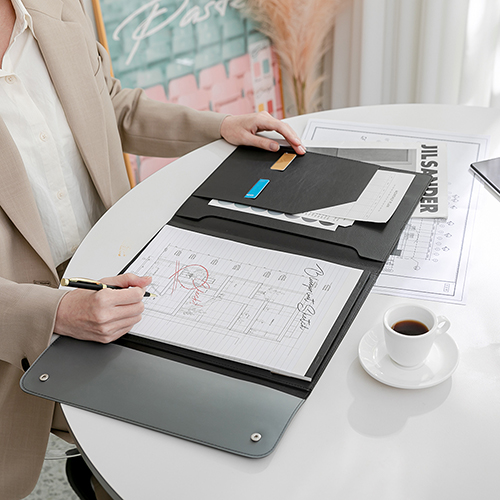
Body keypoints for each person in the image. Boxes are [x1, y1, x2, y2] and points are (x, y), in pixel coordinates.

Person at [0, 0, 306, 498]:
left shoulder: (55, 6)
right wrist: (57, 311)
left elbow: (111, 103)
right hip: (18, 317)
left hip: (119, 270)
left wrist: (218, 127)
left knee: (219, 411)